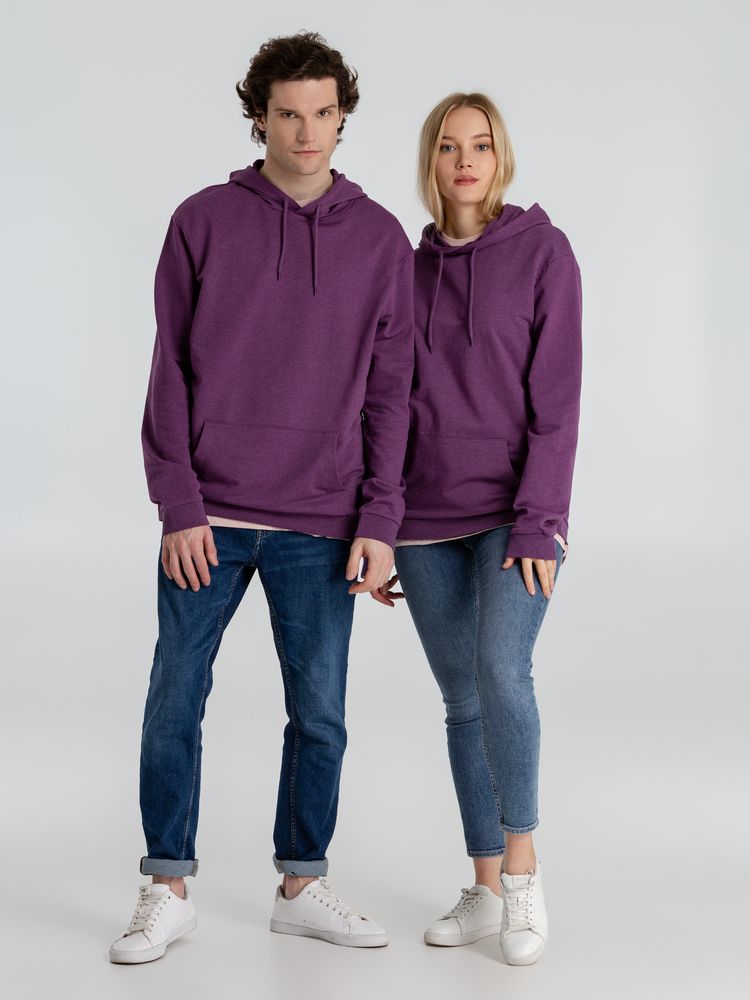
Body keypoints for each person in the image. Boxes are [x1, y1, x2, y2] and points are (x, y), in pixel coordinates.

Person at [109, 31, 414, 964]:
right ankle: (167, 888)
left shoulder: (380, 239)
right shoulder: (202, 220)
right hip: (210, 513)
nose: (307, 132)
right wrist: (178, 503)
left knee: (320, 711)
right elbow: (169, 369)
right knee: (175, 696)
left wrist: (381, 521)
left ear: (343, 117)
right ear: (260, 117)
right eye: (289, 114)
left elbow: (392, 392)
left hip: (322, 520)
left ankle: (300, 883)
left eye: (324, 114)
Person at [376, 92, 583, 966]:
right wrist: (377, 522)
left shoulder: (543, 253)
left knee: (502, 671)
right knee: (461, 701)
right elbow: (383, 404)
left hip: (512, 516)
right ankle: (486, 884)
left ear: (501, 159)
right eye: (450, 146)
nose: (466, 161)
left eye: (482, 145)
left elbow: (557, 404)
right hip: (424, 521)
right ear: (431, 160)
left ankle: (524, 871)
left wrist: (540, 522)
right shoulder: (404, 269)